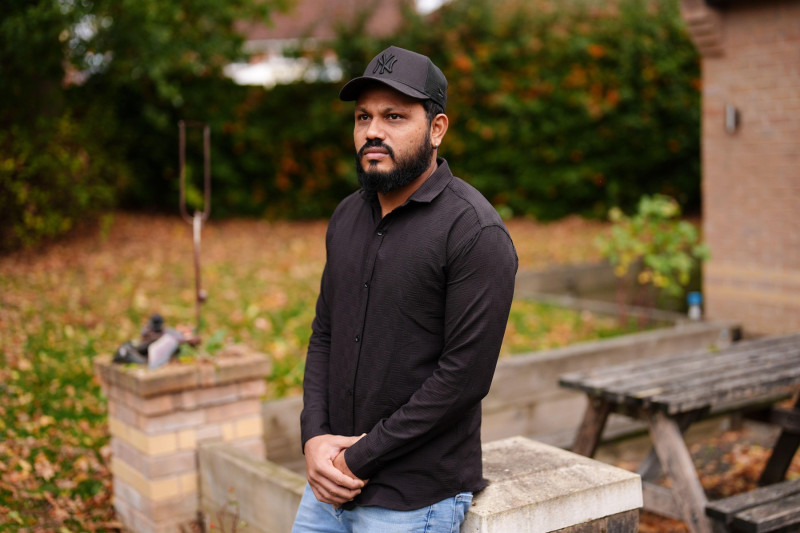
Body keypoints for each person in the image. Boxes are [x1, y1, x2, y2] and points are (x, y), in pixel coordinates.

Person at [291, 45, 518, 533]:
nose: (373, 131)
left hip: (414, 503)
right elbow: (325, 334)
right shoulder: (347, 216)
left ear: (437, 129)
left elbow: (462, 379)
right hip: (328, 489)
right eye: (363, 117)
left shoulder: (475, 233)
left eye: (394, 116)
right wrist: (314, 439)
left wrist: (357, 459)